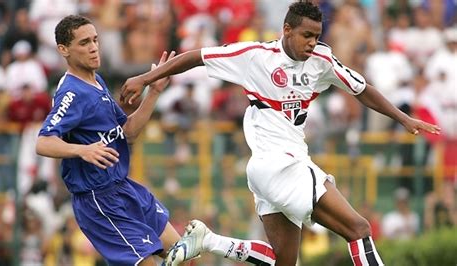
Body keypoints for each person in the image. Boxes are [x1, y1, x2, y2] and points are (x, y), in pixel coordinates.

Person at [120, 2, 441, 266]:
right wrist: (146, 78)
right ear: (286, 29)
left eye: (316, 36)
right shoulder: (256, 56)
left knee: (284, 262)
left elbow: (361, 89)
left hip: (268, 171)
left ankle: (210, 240)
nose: (312, 43)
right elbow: (196, 57)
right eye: (306, 35)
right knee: (359, 229)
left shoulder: (321, 60)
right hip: (281, 164)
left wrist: (402, 118)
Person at [36, 15, 276, 266]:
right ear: (63, 50)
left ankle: (211, 244)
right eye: (84, 42)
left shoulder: (96, 82)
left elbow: (128, 132)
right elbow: (43, 142)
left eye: (95, 40)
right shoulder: (71, 92)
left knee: (184, 253)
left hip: (125, 189)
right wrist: (81, 150)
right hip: (99, 201)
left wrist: (155, 92)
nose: (94, 47)